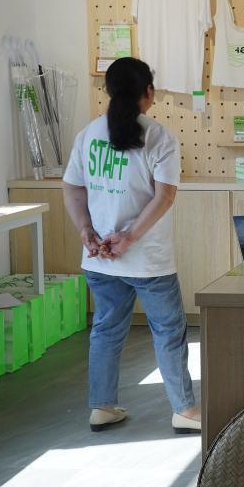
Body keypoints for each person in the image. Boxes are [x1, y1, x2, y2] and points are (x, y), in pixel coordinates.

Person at [62, 57, 199, 434]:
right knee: (168, 331)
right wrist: (130, 237)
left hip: (99, 259)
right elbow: (164, 196)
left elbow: (72, 188)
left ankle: (102, 406)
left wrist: (85, 230)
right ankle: (184, 410)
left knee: (105, 329)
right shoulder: (159, 137)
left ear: (109, 91)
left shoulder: (88, 134)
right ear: (148, 92)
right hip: (148, 261)